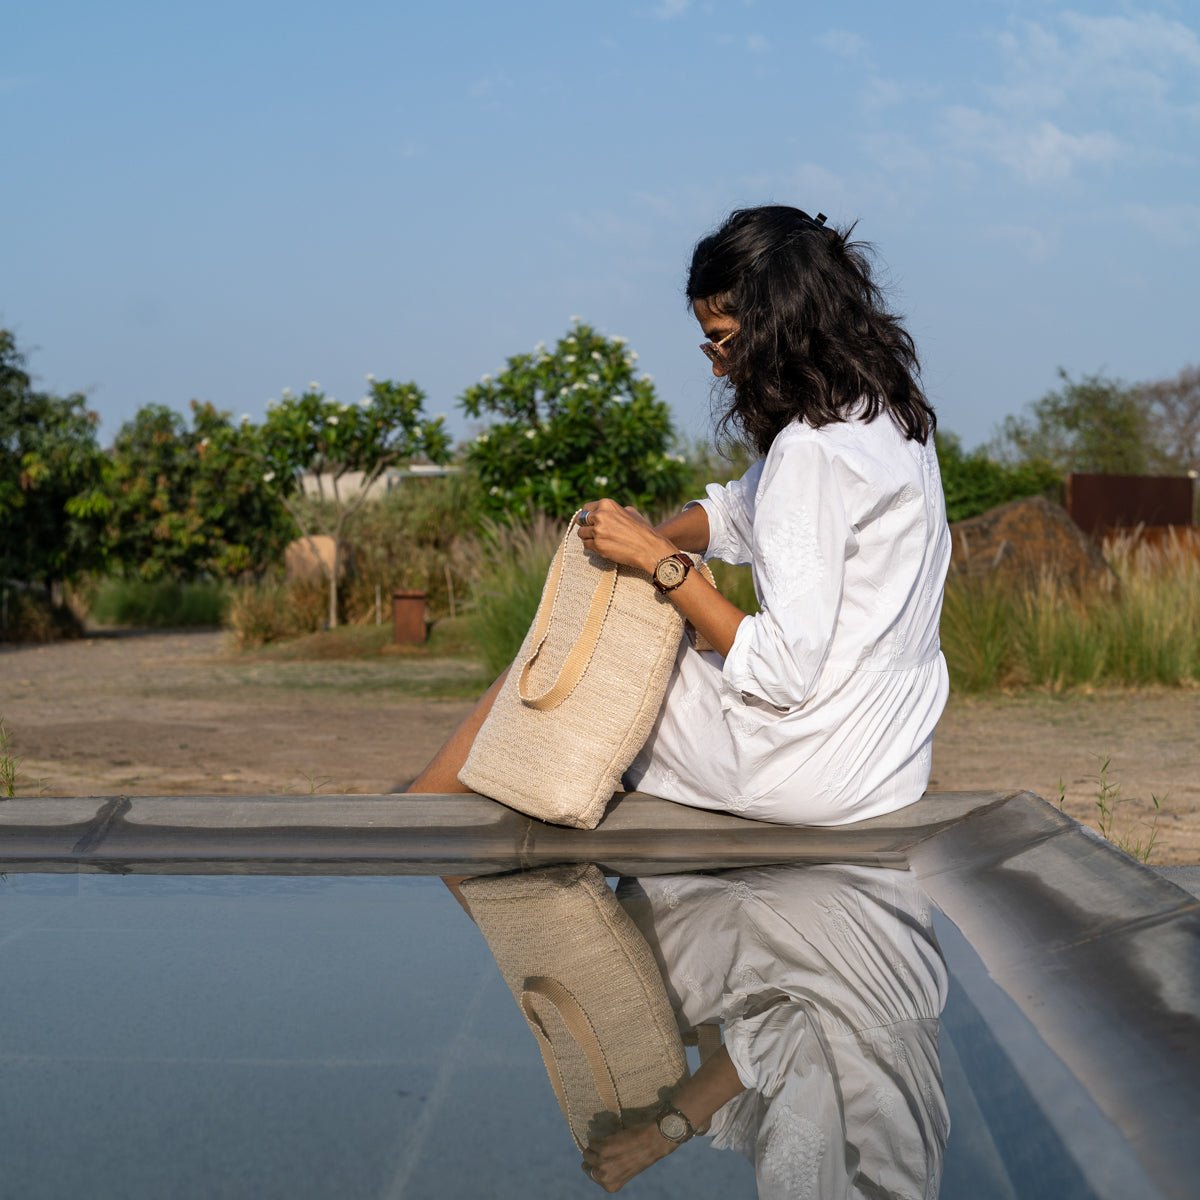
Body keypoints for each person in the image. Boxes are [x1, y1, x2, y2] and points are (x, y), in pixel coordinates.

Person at [411, 203, 950, 827]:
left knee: (553, 657)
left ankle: (402, 837)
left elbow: (780, 672)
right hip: (890, 752)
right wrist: (644, 539)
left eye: (721, 339)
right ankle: (414, 824)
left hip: (806, 767)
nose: (717, 365)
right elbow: (740, 511)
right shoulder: (887, 414)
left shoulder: (811, 451)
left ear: (777, 325)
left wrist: (655, 560)